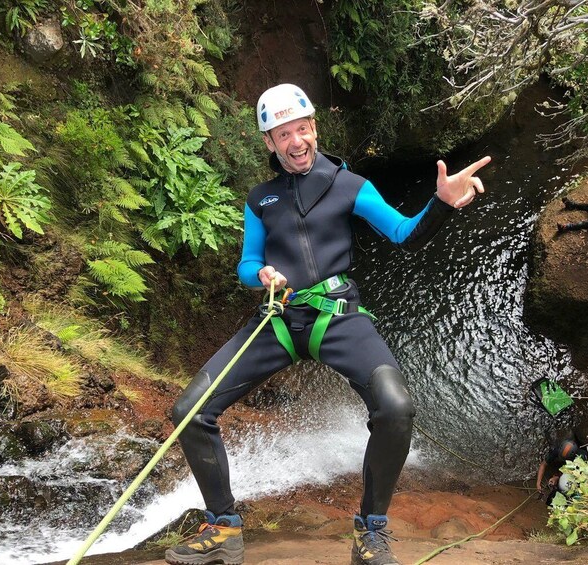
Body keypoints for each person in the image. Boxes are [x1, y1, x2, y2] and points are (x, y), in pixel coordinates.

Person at [165, 84, 491, 565]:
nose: (296, 142)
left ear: (314, 129)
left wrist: (439, 203)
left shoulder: (349, 185)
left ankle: (370, 533)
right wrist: (261, 274)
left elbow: (403, 234)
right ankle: (223, 528)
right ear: (269, 143)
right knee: (189, 411)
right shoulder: (261, 199)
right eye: (283, 134)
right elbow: (246, 262)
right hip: (277, 318)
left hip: (338, 315)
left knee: (396, 409)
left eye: (302, 129)